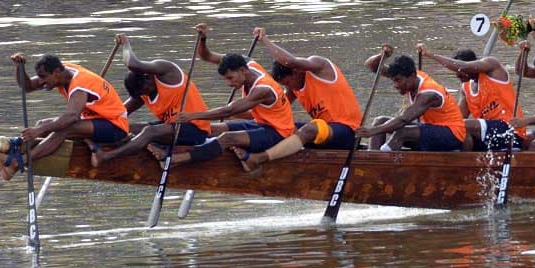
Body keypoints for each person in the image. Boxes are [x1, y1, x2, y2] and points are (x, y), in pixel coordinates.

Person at [149, 25, 296, 166]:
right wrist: (203, 39)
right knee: (210, 129)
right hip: (261, 123)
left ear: (243, 71)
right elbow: (207, 56)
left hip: (279, 133)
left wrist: (192, 116)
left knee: (227, 138)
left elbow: (229, 110)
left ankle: (177, 159)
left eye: (230, 78)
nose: (228, 83)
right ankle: (175, 148)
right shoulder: (248, 63)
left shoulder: (263, 89)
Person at [0, 53, 130, 181]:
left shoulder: (80, 85)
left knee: (64, 129)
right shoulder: (61, 71)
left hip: (115, 126)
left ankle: (18, 162)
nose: (41, 81)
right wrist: (20, 68)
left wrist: (38, 131)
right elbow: (27, 87)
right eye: (40, 77)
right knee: (42, 123)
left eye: (44, 77)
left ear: (56, 72)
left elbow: (71, 117)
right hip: (95, 121)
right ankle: (14, 154)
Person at [238, 29, 364, 169]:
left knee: (311, 129)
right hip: (325, 134)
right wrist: (236, 113)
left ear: (296, 72)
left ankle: (259, 158)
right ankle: (245, 154)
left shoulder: (320, 66)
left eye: (287, 83)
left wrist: (264, 40)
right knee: (280, 128)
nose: (288, 88)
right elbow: (275, 114)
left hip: (349, 133)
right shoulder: (294, 88)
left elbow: (290, 61)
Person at [89, 33, 211, 166]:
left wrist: (125, 43)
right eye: (141, 94)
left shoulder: (167, 72)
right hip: (171, 130)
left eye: (145, 91)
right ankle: (94, 145)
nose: (144, 95)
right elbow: (120, 113)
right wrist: (94, 123)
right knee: (125, 128)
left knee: (149, 131)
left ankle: (106, 157)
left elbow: (132, 64)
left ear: (148, 77)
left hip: (195, 130)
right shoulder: (143, 92)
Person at [418, 43, 523, 150]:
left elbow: (461, 66)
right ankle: (462, 162)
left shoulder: (493, 67)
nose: (457, 75)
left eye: (459, 71)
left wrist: (431, 55)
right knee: (455, 128)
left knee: (463, 126)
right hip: (491, 134)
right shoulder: (466, 88)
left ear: (472, 67)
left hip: (511, 130)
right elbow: (457, 118)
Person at [357, 50, 466, 151]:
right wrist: (382, 55)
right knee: (379, 121)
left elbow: (403, 120)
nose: (396, 85)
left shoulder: (428, 93)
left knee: (402, 132)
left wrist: (371, 131)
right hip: (431, 129)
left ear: (412, 76)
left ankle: (383, 161)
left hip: (453, 135)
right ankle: (373, 158)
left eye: (398, 80)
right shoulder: (408, 76)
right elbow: (372, 66)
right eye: (394, 80)